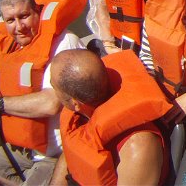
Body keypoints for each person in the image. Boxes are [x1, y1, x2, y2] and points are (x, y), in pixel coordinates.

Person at [0, 0, 86, 185]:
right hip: (20, 145)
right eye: (10, 20)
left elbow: (51, 103)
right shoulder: (8, 47)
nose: (19, 27)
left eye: (24, 16)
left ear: (37, 11)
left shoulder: (64, 44)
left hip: (53, 154)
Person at [49, 49, 177, 186]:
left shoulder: (138, 147)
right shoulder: (79, 117)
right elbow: (71, 151)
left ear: (75, 103)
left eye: (53, 86)